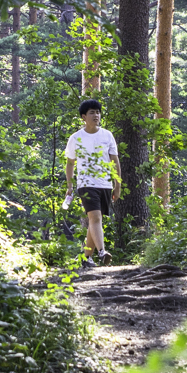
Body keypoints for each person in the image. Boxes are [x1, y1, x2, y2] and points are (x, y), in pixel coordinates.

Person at [63, 98, 122, 265]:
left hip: (105, 184)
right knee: (95, 217)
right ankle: (102, 252)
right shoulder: (76, 137)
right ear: (83, 117)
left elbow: (115, 161)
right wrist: (69, 185)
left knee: (95, 219)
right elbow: (70, 162)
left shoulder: (107, 135)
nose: (96, 115)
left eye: (98, 112)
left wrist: (117, 185)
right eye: (92, 112)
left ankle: (86, 257)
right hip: (85, 183)